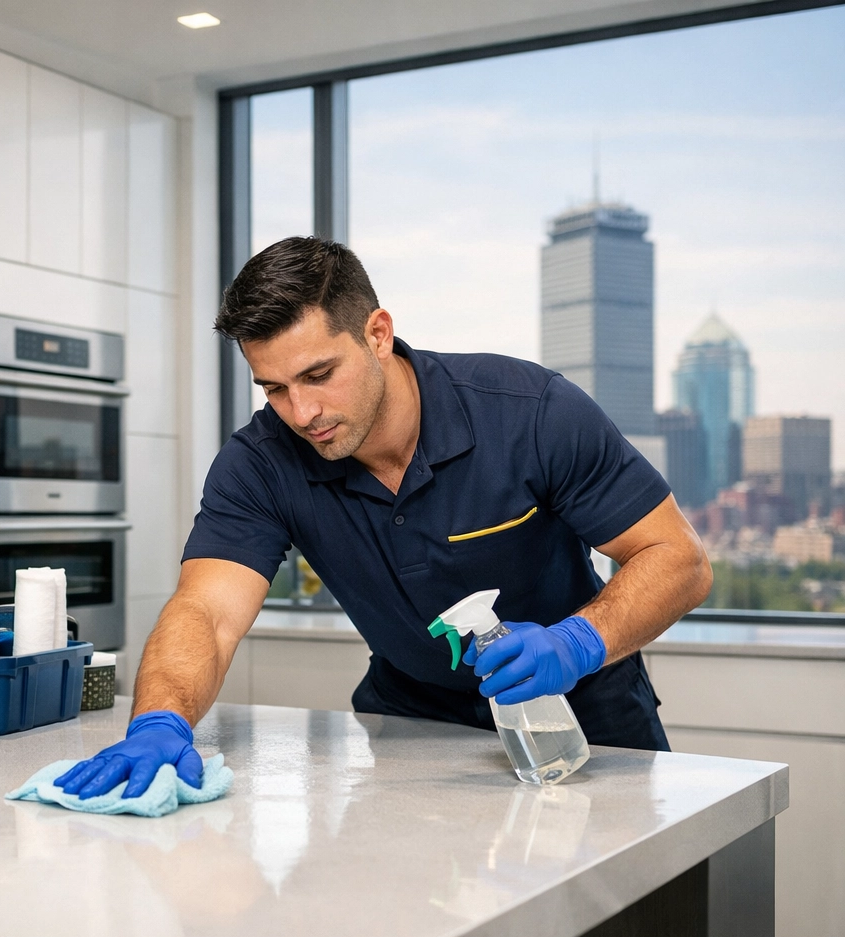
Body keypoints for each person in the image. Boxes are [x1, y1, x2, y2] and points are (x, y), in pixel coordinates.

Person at [57, 237, 712, 799]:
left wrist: (576, 644)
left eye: (319, 375)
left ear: (377, 333)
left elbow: (678, 558)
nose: (302, 412)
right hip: (413, 730)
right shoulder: (260, 463)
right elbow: (206, 610)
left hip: (581, 716)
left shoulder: (530, 412)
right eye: (275, 388)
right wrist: (159, 720)